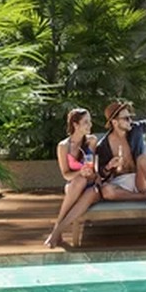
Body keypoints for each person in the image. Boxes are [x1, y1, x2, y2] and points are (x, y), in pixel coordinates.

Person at [43, 107, 100, 249]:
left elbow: (94, 169)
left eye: (90, 121)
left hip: (91, 184)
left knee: (85, 184)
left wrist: (90, 172)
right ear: (75, 125)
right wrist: (80, 171)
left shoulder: (91, 141)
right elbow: (65, 174)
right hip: (74, 183)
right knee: (78, 181)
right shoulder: (63, 146)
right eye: (86, 122)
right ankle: (57, 231)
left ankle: (56, 232)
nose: (90, 125)